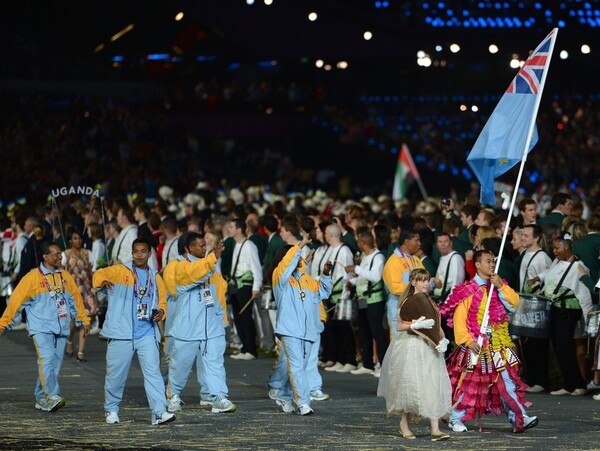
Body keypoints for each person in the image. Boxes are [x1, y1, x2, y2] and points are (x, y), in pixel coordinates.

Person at [440, 249, 538, 433]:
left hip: (498, 346)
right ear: (477, 265)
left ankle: (519, 417)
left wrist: (501, 286)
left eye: (493, 261)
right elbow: (460, 320)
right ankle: (454, 418)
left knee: (507, 381)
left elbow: (513, 304)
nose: (492, 264)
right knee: (470, 384)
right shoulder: (468, 289)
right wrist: (468, 341)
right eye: (487, 261)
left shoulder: (499, 285)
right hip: (476, 346)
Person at [92, 238, 175, 425]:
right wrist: (102, 281)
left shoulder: (156, 277)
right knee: (115, 375)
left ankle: (159, 412)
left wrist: (161, 313)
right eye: (136, 251)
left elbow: (162, 301)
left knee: (153, 373)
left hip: (147, 332)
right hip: (121, 333)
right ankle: (111, 410)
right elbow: (98, 275)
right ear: (132, 253)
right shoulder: (120, 271)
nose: (139, 254)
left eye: (143, 251)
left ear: (149, 254)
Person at [0, 242, 90, 412]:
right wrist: (4, 324)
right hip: (40, 328)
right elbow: (16, 303)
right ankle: (52, 396)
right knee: (47, 360)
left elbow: (75, 299)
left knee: (53, 366)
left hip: (62, 327)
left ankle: (41, 397)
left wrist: (83, 320)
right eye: (56, 254)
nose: (60, 256)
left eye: (60, 253)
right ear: (45, 257)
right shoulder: (31, 278)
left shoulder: (65, 276)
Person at [377, 268, 451, 441]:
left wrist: (443, 339)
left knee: (432, 383)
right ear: (413, 282)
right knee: (410, 386)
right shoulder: (407, 302)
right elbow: (399, 326)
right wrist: (414, 326)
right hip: (411, 346)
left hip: (429, 347)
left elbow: (435, 324)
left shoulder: (429, 301)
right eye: (421, 280)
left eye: (427, 280)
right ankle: (404, 423)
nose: (426, 283)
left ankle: (435, 429)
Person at [166, 232, 235, 414]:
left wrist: (221, 318)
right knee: (180, 363)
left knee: (214, 362)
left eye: (206, 245)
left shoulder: (209, 265)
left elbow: (219, 289)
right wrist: (213, 258)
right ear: (189, 248)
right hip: (188, 326)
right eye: (201, 246)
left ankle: (218, 396)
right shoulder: (177, 266)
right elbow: (191, 276)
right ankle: (173, 395)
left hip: (211, 324)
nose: (205, 249)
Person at [268, 232, 332, 415]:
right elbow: (288, 263)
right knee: (297, 366)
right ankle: (303, 403)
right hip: (289, 329)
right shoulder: (280, 278)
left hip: (307, 330)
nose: (298, 258)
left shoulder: (306, 279)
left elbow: (323, 293)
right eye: (295, 256)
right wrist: (301, 243)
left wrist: (326, 275)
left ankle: (285, 396)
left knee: (300, 368)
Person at [527, 232, 593, 397]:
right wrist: (538, 278)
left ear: (567, 247)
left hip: (568, 311)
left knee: (563, 347)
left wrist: (588, 319)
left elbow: (584, 295)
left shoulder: (579, 267)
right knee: (558, 347)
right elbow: (550, 273)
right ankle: (569, 384)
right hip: (556, 309)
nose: (554, 251)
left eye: (557, 248)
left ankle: (578, 383)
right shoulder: (557, 261)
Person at [344, 229, 388, 377]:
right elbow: (364, 277)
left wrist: (355, 269)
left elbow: (375, 277)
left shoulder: (378, 257)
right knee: (364, 332)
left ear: (363, 243)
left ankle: (384, 366)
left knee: (377, 333)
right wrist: (353, 281)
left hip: (375, 301)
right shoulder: (365, 256)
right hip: (363, 299)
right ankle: (367, 363)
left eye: (358, 242)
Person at [228, 217, 263, 360]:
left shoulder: (249, 245)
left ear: (239, 229)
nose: (229, 229)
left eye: (231, 227)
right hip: (235, 285)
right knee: (237, 316)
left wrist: (256, 287)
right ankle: (244, 347)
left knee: (246, 316)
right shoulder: (236, 244)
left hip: (246, 285)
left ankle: (251, 349)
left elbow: (256, 267)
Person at [63, 228, 98, 362]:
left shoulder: (87, 253)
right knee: (73, 321)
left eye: (80, 238)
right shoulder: (65, 254)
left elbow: (93, 270)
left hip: (87, 289)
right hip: (72, 291)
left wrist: (95, 286)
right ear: (70, 240)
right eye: (75, 238)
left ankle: (81, 352)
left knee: (86, 320)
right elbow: (61, 271)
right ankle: (70, 340)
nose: (78, 241)